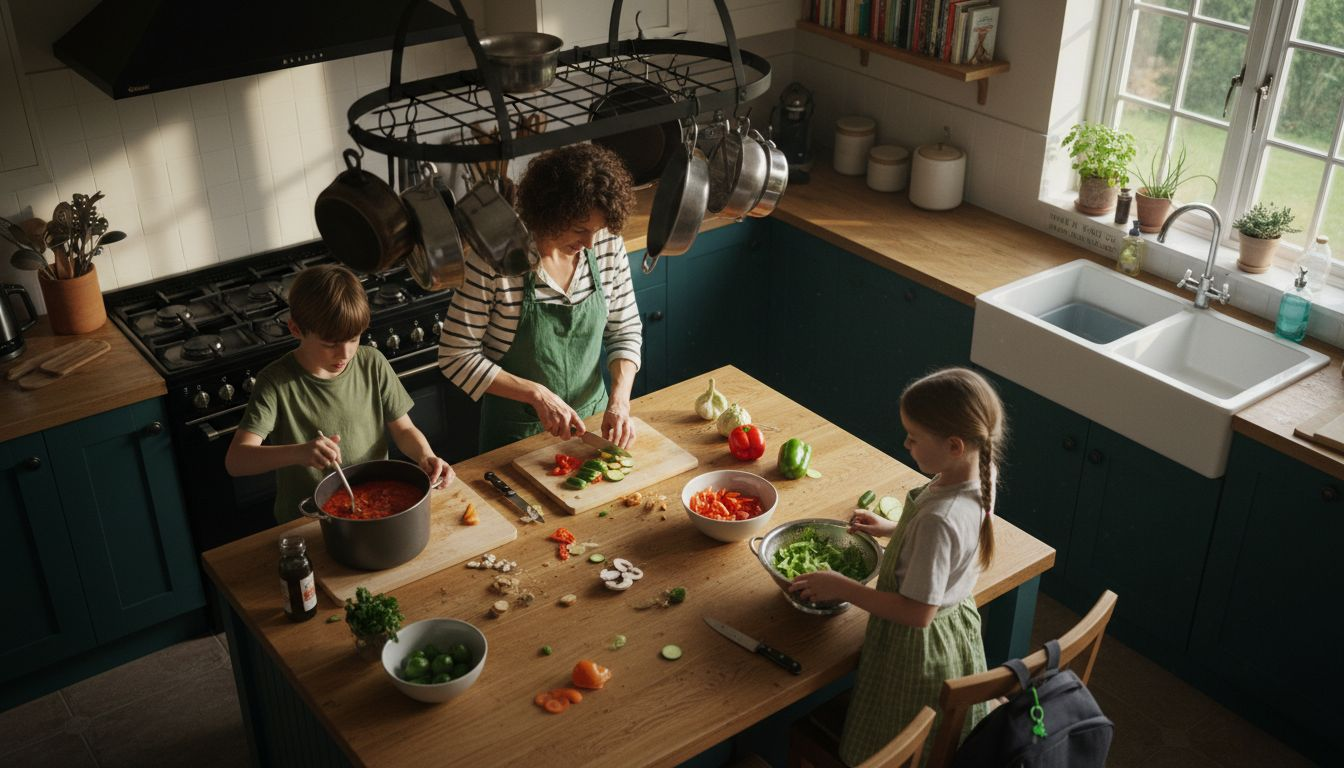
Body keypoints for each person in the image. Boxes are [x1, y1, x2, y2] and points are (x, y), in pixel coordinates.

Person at [789, 367, 1004, 766]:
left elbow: (917, 613)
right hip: (953, 630)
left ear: (955, 445)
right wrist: (893, 528)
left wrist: (843, 587)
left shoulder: (941, 520)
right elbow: (947, 545)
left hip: (917, 650)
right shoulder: (980, 470)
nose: (906, 443)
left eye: (914, 437)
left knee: (897, 741)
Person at [438, 142, 642, 453]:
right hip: (516, 437)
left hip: (595, 421)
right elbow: (455, 356)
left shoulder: (606, 243)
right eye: (579, 229)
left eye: (596, 230)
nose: (589, 242)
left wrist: (619, 401)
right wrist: (537, 394)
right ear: (549, 213)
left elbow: (624, 329)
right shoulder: (495, 259)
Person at [225, 264, 453, 522]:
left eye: (354, 339)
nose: (345, 354)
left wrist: (426, 455)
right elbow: (237, 460)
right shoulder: (275, 382)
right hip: (307, 519)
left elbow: (403, 430)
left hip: (376, 509)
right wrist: (300, 452)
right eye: (330, 344)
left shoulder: (372, 363)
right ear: (296, 329)